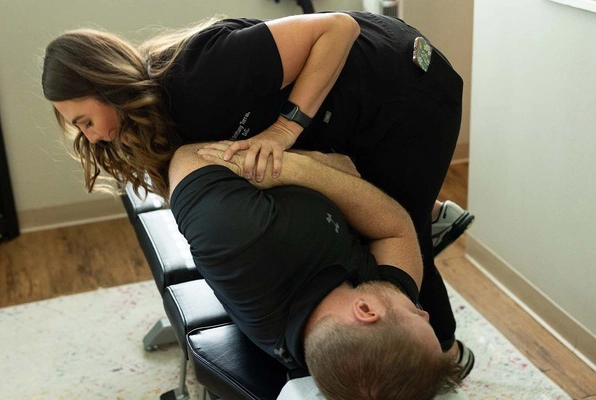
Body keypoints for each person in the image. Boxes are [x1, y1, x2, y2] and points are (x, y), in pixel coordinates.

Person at [42, 10, 474, 370]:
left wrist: (285, 130)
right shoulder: (160, 117)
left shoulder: (200, 74)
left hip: (406, 89)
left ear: (108, 82)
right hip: (347, 117)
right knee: (363, 205)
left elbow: (338, 28)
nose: (91, 137)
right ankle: (433, 211)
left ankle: (446, 356)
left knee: (406, 231)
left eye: (85, 121)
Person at [169, 141, 463, 399]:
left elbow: (188, 157)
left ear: (365, 311)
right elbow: (397, 228)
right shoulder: (370, 312)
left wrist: (304, 165)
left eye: (416, 317)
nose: (425, 313)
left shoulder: (244, 243)